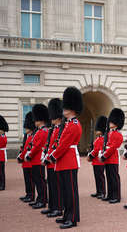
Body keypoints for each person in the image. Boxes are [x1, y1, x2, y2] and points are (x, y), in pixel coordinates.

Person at [49, 86, 83, 229]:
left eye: (66, 106)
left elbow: (63, 145)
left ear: (72, 108)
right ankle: (66, 215)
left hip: (68, 160)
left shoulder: (74, 125)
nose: (64, 109)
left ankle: (73, 218)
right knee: (65, 190)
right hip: (64, 160)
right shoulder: (67, 124)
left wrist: (52, 156)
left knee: (71, 191)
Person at [41, 98, 64, 217]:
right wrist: (45, 154)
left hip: (55, 161)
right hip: (50, 161)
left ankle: (58, 208)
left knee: (57, 186)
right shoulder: (53, 129)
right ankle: (52, 206)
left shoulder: (61, 128)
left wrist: (50, 155)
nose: (51, 117)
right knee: (51, 184)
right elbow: (49, 144)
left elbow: (58, 145)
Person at [26, 104, 49, 209]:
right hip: (34, 159)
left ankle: (43, 200)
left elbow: (38, 145)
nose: (34, 121)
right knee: (37, 180)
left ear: (41, 119)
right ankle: (39, 199)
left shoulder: (44, 131)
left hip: (38, 158)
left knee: (40, 181)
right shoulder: (38, 131)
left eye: (36, 119)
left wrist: (30, 154)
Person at [99, 108, 124, 204]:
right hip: (107, 158)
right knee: (109, 177)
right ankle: (110, 195)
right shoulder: (109, 133)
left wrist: (104, 155)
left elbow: (113, 147)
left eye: (112, 121)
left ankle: (116, 196)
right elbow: (106, 145)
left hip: (112, 158)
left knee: (114, 177)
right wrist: (102, 152)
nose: (110, 123)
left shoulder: (118, 134)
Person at [87, 116, 107, 200]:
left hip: (99, 161)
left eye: (98, 130)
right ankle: (98, 191)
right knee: (97, 177)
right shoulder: (98, 139)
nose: (96, 131)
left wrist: (90, 155)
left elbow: (97, 150)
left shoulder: (102, 139)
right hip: (95, 161)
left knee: (100, 177)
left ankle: (102, 192)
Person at [17, 112, 35, 202]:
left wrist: (22, 155)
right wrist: (20, 155)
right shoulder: (26, 136)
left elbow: (29, 148)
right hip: (25, 161)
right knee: (27, 180)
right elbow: (24, 147)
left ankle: (31, 196)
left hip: (29, 161)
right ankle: (28, 194)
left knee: (31, 180)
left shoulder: (32, 136)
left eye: (27, 127)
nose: (25, 128)